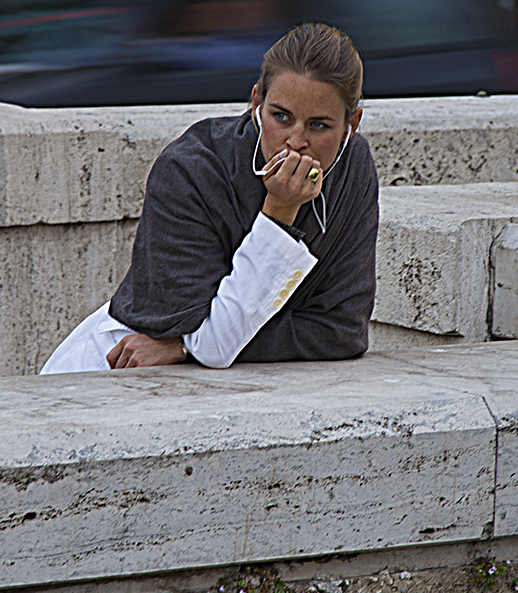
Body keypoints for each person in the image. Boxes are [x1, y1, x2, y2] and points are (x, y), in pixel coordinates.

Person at [41, 21, 378, 373]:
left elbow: (342, 332)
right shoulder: (191, 170)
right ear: (256, 103)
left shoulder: (353, 167)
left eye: (318, 126)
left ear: (350, 125)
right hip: (113, 369)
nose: (295, 140)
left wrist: (184, 347)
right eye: (281, 117)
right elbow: (216, 346)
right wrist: (279, 213)